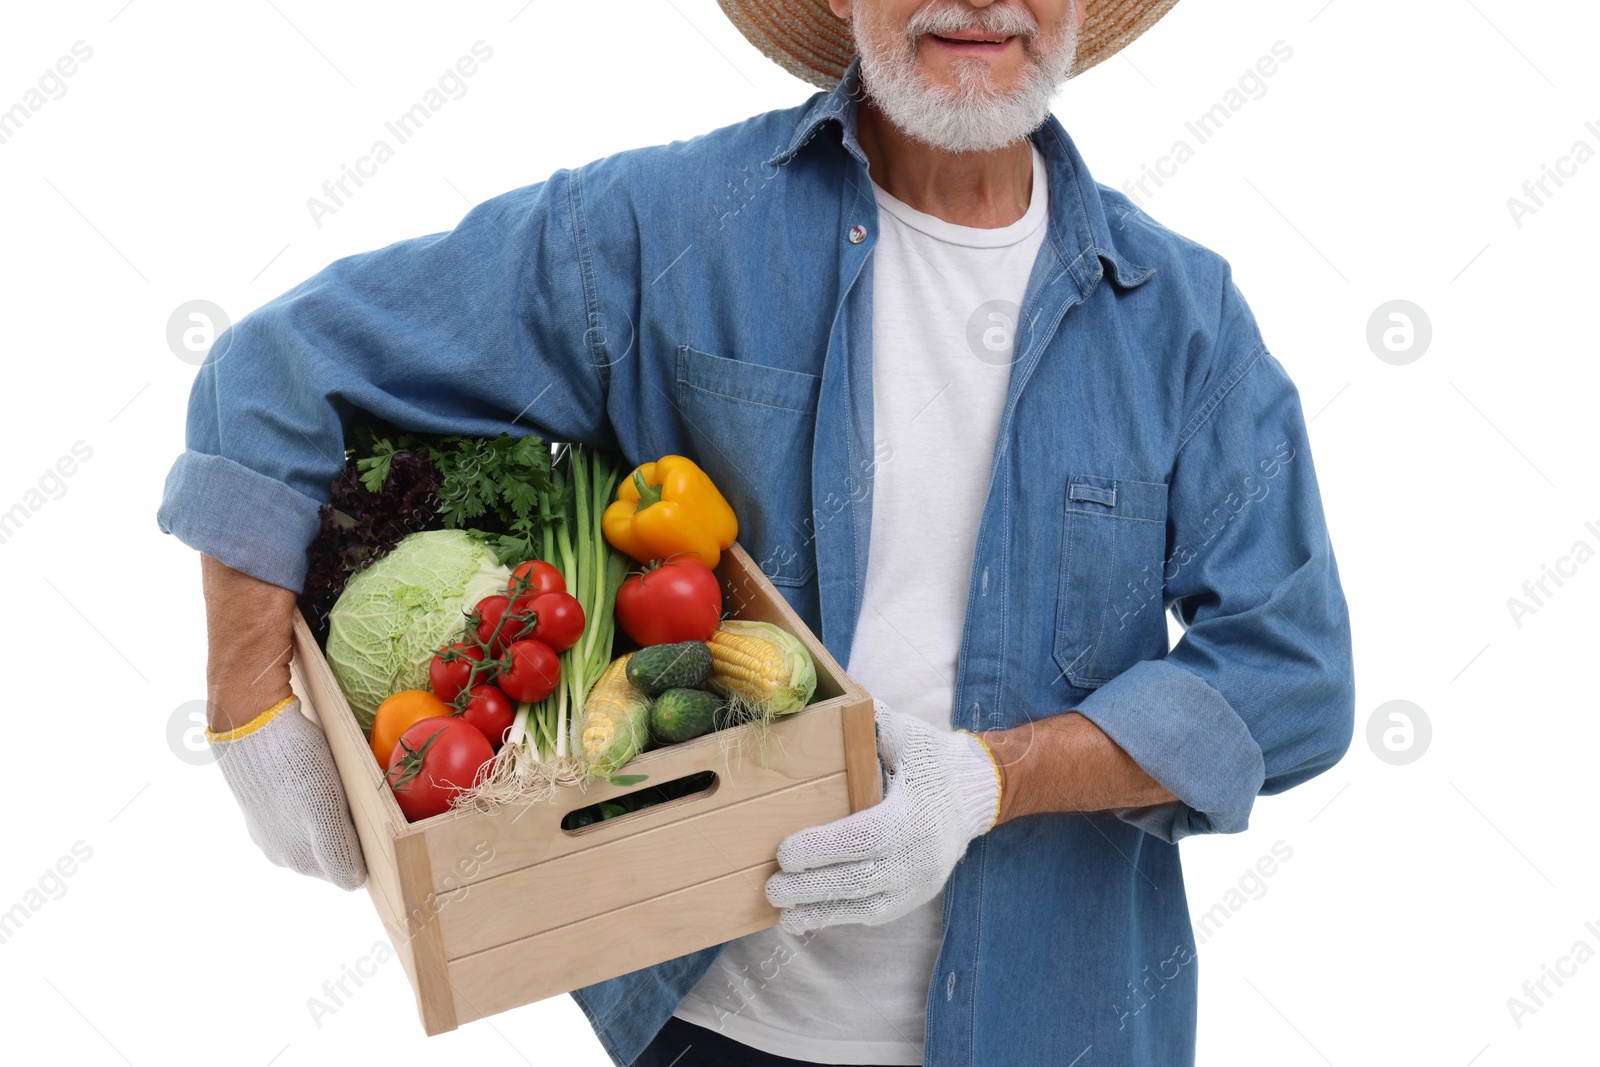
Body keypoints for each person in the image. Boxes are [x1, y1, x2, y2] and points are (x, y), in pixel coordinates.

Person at [157, 0, 1356, 1064]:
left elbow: (1289, 673)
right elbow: (279, 367)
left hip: (1066, 1021)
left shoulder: (1182, 318)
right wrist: (248, 704)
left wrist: (989, 779)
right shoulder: (661, 227)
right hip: (718, 1023)